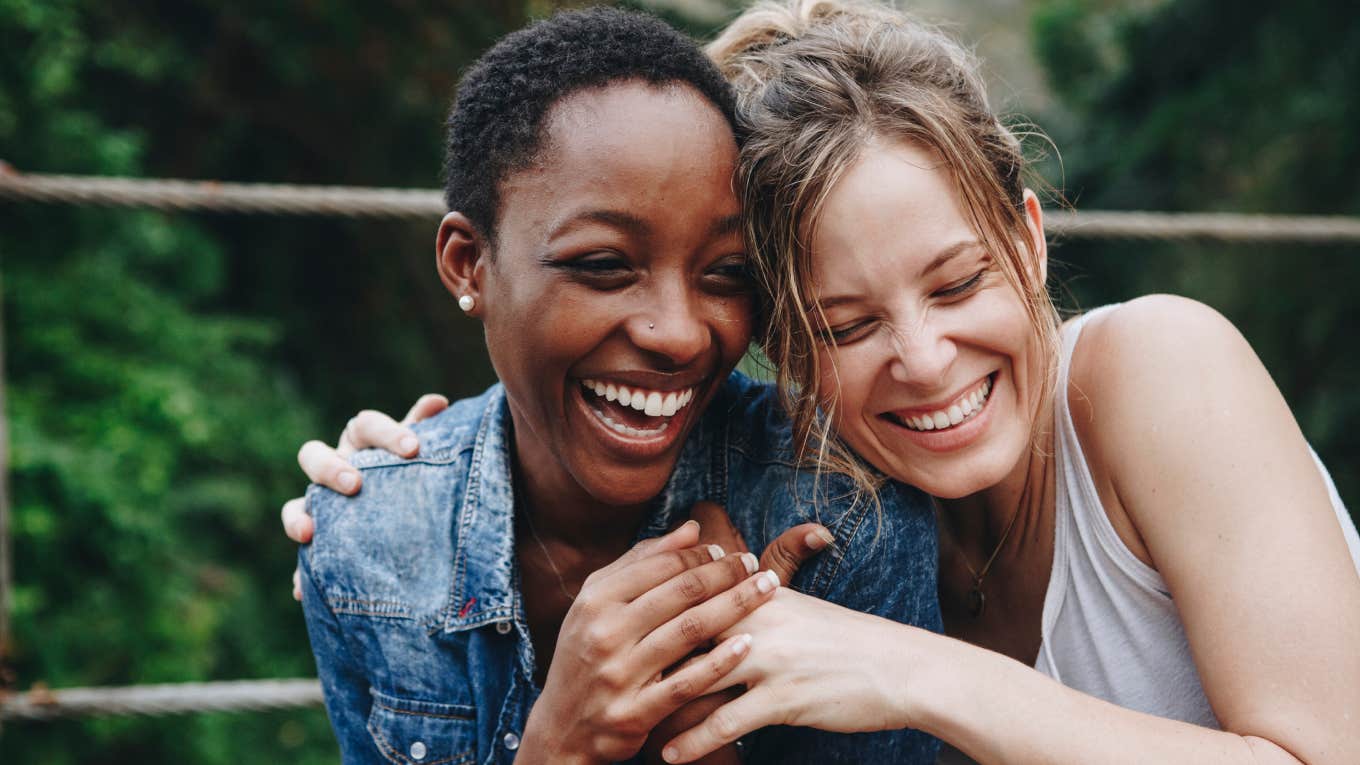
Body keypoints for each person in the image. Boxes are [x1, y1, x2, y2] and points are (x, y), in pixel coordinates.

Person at [303, 2, 1360, 763]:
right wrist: (427, 476)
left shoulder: (1155, 370)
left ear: (1029, 242)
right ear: (779, 346)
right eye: (844, 324)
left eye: (957, 283)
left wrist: (919, 674)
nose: (925, 359)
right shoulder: (832, 505)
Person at [292, 7, 940, 765]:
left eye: (726, 274)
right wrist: (559, 745)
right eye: (604, 266)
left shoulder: (838, 512)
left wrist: (700, 725)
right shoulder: (368, 545)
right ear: (469, 264)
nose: (679, 334)